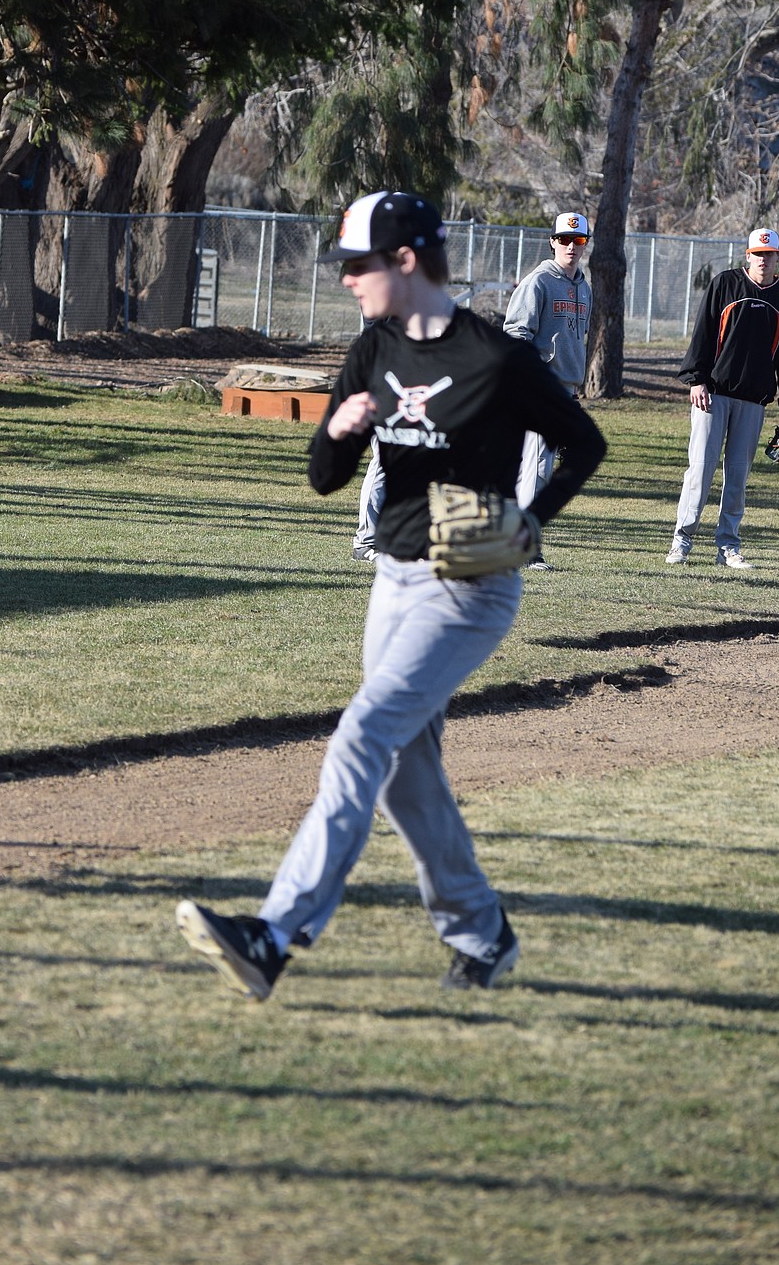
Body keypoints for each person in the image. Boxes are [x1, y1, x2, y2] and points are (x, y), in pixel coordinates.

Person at [176, 191, 606, 1000]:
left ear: (405, 262)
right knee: (408, 766)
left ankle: (276, 932)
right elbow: (322, 479)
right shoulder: (375, 346)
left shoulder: (494, 356)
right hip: (395, 577)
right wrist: (337, 430)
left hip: (470, 583)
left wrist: (526, 526)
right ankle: (483, 934)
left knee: (362, 736)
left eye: (357, 264)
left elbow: (583, 443)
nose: (345, 279)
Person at [666, 228, 779, 570]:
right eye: (757, 253)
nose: (762, 258)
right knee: (699, 470)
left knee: (737, 477)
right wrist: (695, 379)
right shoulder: (725, 284)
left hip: (754, 401)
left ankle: (728, 546)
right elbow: (703, 332)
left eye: (769, 254)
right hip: (712, 396)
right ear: (747, 255)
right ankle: (682, 542)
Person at [503, 211, 593, 568]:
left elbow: (575, 338)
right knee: (538, 468)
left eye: (579, 240)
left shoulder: (583, 287)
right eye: (565, 239)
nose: (571, 246)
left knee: (539, 466)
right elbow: (515, 334)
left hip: (565, 389)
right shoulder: (538, 282)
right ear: (553, 241)